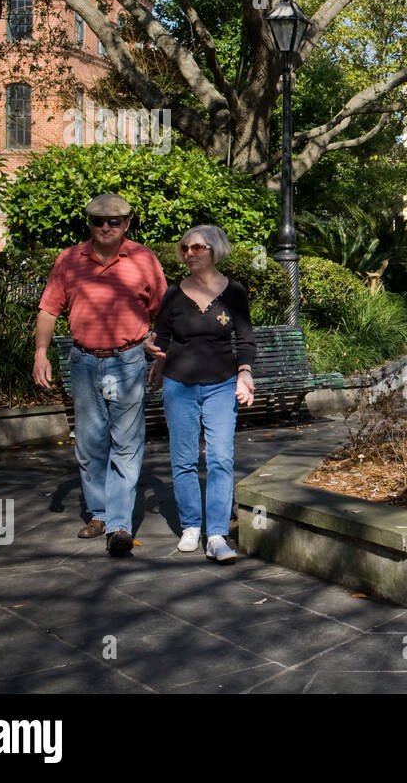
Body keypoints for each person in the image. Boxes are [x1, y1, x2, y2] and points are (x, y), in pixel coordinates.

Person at [34, 194, 166, 557]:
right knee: (90, 445)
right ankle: (99, 514)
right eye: (98, 221)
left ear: (127, 223)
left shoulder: (144, 259)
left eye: (114, 221)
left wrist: (159, 355)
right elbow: (48, 310)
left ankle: (120, 524)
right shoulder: (69, 259)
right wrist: (40, 353)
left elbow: (164, 314)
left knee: (126, 444)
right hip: (84, 362)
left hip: (129, 361)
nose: (106, 227)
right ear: (89, 222)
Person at [147, 225, 255, 564]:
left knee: (221, 458)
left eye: (198, 248)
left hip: (222, 384)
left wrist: (245, 375)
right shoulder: (174, 294)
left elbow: (246, 340)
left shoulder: (234, 293)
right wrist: (153, 353)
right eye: (186, 248)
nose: (190, 253)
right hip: (179, 385)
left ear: (216, 251)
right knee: (184, 459)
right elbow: (162, 337)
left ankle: (217, 534)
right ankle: (191, 525)